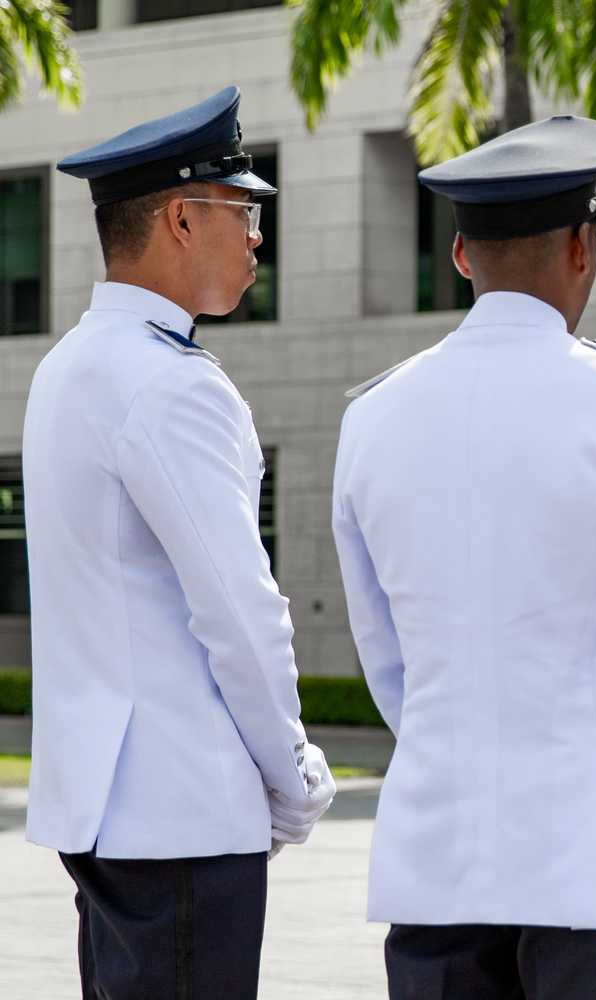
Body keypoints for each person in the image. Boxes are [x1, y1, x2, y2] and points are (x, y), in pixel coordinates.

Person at [331, 115, 596, 1000]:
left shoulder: (372, 418)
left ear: (464, 255)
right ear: (585, 245)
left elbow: (384, 655)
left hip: (437, 853)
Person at [24, 86, 336, 999]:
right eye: (241, 210)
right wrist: (293, 776)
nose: (256, 236)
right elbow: (240, 612)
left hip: (109, 814)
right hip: (186, 817)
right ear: (179, 218)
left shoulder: (70, 366)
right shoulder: (172, 386)